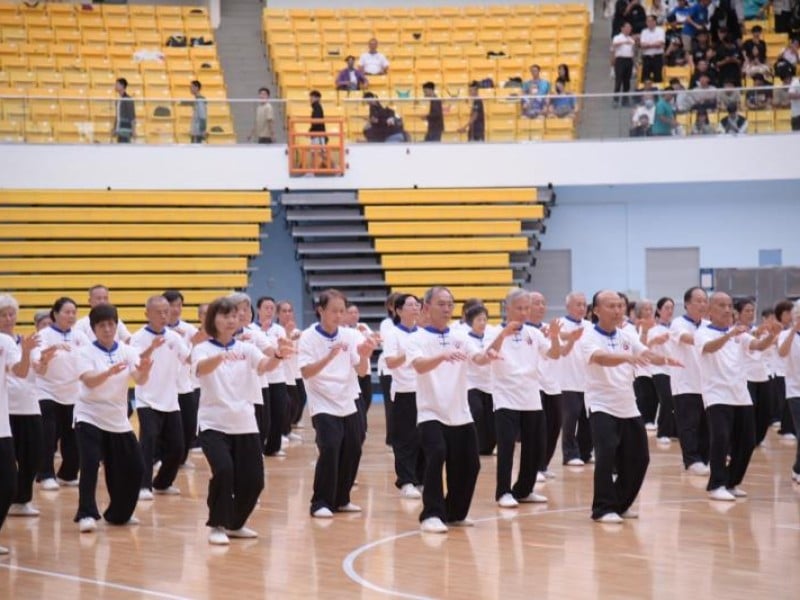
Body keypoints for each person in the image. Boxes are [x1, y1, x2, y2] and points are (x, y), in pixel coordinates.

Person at [583, 291, 680, 523]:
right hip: (601, 405)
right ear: (596, 311)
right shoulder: (588, 336)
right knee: (606, 457)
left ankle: (619, 503)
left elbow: (644, 352)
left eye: (619, 306)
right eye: (611, 306)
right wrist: (626, 359)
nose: (617, 310)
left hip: (627, 405)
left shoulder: (626, 335)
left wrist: (663, 360)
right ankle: (603, 508)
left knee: (640, 457)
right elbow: (601, 358)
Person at [191, 297, 274, 544]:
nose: (230, 320)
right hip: (213, 423)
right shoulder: (203, 349)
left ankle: (235, 523)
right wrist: (217, 358)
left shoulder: (246, 348)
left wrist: (279, 356)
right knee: (224, 471)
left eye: (234, 316)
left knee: (255, 480)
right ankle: (217, 524)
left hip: (245, 423)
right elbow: (200, 369)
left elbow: (264, 365)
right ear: (212, 320)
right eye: (224, 315)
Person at [407, 287, 488, 533]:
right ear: (427, 307)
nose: (446, 309)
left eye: (450, 304)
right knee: (436, 455)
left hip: (460, 412)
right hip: (430, 411)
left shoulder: (461, 336)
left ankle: (454, 513)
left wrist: (493, 351)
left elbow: (479, 358)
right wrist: (442, 356)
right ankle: (431, 514)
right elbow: (419, 366)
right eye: (441, 304)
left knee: (471, 464)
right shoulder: (416, 338)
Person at [74, 304, 153, 533]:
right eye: (102, 325)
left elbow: (139, 379)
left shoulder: (127, 352)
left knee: (136, 467)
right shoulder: (85, 352)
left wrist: (145, 370)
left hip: (117, 417)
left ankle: (119, 514)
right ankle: (86, 513)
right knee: (89, 464)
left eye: (111, 324)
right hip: (89, 414)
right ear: (94, 328)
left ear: (117, 325)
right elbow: (88, 381)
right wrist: (107, 373)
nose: (107, 329)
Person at [298, 289, 376, 519]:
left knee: (354, 446)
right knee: (330, 446)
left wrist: (364, 355)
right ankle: (320, 501)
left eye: (342, 311)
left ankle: (342, 498)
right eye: (334, 310)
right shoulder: (308, 337)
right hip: (322, 400)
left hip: (348, 397)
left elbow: (361, 371)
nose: (339, 315)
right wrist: (329, 357)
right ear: (320, 310)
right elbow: (306, 371)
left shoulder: (350, 336)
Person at [696, 292, 778, 501]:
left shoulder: (740, 334)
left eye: (729, 305)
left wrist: (771, 336)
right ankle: (716, 485)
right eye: (721, 305)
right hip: (717, 395)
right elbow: (709, 348)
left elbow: (757, 346)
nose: (726, 309)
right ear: (710, 310)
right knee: (721, 439)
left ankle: (731, 482)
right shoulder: (703, 332)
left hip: (740, 395)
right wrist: (728, 336)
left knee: (748, 441)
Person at [486, 289, 561, 509]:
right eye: (519, 308)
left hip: (531, 396)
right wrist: (503, 335)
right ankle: (503, 492)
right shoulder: (493, 331)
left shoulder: (534, 333)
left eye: (526, 308)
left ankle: (524, 490)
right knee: (507, 447)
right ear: (507, 308)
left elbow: (555, 354)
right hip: (505, 396)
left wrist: (555, 336)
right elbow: (487, 354)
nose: (523, 312)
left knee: (534, 446)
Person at [130, 296, 189, 501]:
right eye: (159, 312)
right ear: (147, 314)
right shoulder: (138, 337)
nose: (164, 315)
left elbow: (188, 358)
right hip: (147, 399)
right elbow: (136, 361)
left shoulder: (174, 337)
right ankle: (142, 485)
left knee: (178, 447)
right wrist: (152, 347)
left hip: (170, 399)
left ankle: (162, 483)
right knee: (149, 441)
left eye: (167, 311)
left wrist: (202, 342)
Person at [33, 297, 91, 491]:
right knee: (48, 434)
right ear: (55, 314)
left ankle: (68, 474)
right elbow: (38, 364)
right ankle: (45, 474)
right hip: (46, 390)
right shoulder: (44, 335)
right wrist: (49, 353)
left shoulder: (80, 336)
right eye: (67, 312)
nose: (71, 315)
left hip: (73, 393)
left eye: (74, 312)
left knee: (72, 436)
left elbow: (88, 360)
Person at [0, 297, 36, 554]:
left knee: (9, 483)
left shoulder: (4, 343)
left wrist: (25, 352)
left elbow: (21, 372)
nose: (8, 318)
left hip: (2, 427)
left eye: (10, 314)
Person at [383, 294, 424, 500]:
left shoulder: (423, 333)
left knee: (424, 437)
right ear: (398, 311)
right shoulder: (393, 334)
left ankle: (421, 479)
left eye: (417, 304)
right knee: (405, 439)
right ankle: (406, 481)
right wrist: (409, 354)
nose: (415, 307)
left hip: (424, 391)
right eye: (409, 305)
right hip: (403, 391)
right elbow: (390, 363)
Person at [669, 287, 710, 475]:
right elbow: (688, 339)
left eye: (705, 300)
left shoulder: (708, 325)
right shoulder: (678, 323)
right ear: (687, 304)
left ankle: (704, 458)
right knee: (688, 424)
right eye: (698, 300)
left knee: (706, 425)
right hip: (685, 383)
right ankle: (691, 460)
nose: (703, 304)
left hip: (706, 384)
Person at [162, 289, 202, 466]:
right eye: (172, 305)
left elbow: (201, 344)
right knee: (164, 427)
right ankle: (160, 457)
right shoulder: (158, 331)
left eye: (179, 305)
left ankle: (182, 458)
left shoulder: (188, 329)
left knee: (188, 424)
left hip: (186, 385)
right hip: (164, 387)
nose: (176, 309)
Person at [559, 292, 593, 466]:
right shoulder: (560, 325)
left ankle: (585, 452)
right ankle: (569, 454)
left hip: (587, 381)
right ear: (568, 306)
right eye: (578, 304)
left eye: (584, 305)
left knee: (587, 420)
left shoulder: (590, 326)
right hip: (567, 381)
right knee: (570, 419)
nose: (582, 308)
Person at [257, 296, 293, 456]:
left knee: (279, 413)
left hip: (278, 377)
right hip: (260, 379)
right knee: (263, 416)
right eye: (266, 308)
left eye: (272, 308)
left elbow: (284, 349)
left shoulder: (278, 329)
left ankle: (273, 447)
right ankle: (258, 446)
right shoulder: (252, 330)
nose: (269, 311)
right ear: (258, 310)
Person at [464, 304, 495, 456]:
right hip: (471, 383)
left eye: (484, 319)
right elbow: (479, 359)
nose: (482, 323)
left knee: (491, 416)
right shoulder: (466, 340)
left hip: (489, 383)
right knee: (477, 411)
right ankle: (473, 445)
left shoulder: (490, 337)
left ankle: (488, 447)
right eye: (479, 320)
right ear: (471, 322)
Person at [778, 299, 800, 484]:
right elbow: (782, 352)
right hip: (795, 391)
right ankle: (798, 470)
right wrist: (794, 329)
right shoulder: (786, 335)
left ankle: (797, 468)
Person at [649, 297, 677, 442]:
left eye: (671, 307)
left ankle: (673, 431)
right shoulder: (654, 329)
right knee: (665, 400)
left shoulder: (675, 328)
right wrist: (655, 340)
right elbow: (646, 346)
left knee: (675, 401)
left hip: (674, 370)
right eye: (666, 307)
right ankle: (663, 432)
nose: (670, 311)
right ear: (659, 310)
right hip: (658, 369)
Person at [276, 300, 306, 428]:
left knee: (301, 399)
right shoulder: (276, 331)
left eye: (290, 311)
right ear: (278, 314)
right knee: (290, 403)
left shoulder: (298, 332)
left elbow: (302, 351)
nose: (287, 314)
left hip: (297, 372)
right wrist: (288, 335)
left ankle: (291, 425)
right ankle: (286, 427)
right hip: (283, 373)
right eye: (284, 311)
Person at [611, 22, 636, 107]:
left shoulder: (631, 39)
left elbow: (632, 51)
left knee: (627, 81)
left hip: (628, 60)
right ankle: (616, 99)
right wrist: (624, 42)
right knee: (619, 80)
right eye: (627, 27)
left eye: (630, 28)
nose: (629, 29)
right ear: (622, 28)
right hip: (620, 60)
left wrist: (633, 63)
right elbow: (614, 46)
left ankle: (625, 100)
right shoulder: (617, 37)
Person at [640, 15, 666, 83]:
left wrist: (648, 45)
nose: (650, 23)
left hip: (657, 57)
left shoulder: (660, 30)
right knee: (645, 79)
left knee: (658, 78)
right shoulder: (644, 31)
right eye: (648, 21)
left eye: (651, 21)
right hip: (647, 58)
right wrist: (654, 44)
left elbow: (660, 44)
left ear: (655, 22)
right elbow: (642, 45)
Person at [308, 90, 327, 168]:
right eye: (311, 97)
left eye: (312, 97)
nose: (311, 99)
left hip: (318, 134)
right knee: (317, 153)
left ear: (317, 98)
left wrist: (311, 130)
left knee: (320, 153)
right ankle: (313, 169)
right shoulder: (316, 107)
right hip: (316, 133)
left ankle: (335, 167)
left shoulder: (317, 107)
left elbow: (317, 121)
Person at [113, 77, 135, 143]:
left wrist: (133, 129)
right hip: (119, 128)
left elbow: (132, 115)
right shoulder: (118, 100)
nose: (115, 86)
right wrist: (115, 128)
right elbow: (118, 115)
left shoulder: (128, 99)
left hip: (125, 129)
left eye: (117, 84)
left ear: (122, 86)